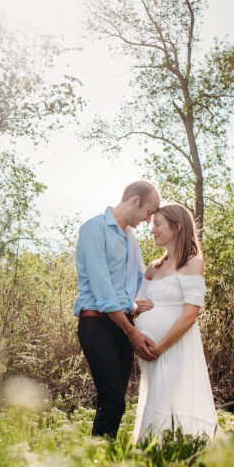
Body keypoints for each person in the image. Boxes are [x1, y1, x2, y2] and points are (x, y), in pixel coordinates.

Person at [73, 181, 162, 438]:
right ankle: (97, 462)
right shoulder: (94, 229)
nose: (148, 220)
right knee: (113, 399)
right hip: (96, 324)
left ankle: (102, 459)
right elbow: (102, 290)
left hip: (123, 323)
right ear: (134, 201)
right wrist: (132, 333)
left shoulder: (130, 238)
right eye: (148, 212)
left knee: (115, 401)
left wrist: (135, 306)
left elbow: (138, 280)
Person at [131, 202, 218, 442]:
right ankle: (151, 452)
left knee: (170, 399)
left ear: (177, 227)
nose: (152, 230)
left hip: (174, 346)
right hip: (148, 350)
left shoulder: (193, 264)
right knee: (154, 398)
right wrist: (137, 311)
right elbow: (137, 305)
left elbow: (190, 314)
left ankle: (178, 452)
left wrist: (161, 347)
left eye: (158, 224)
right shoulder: (153, 268)